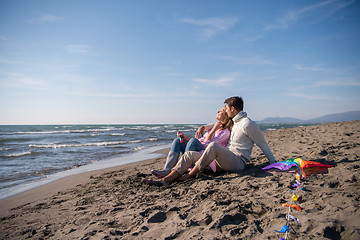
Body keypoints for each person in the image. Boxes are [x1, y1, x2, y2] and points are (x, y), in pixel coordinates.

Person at [142, 96, 276, 187]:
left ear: (233, 109)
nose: (226, 111)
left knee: (213, 146)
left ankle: (189, 175)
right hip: (224, 159)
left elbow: (262, 144)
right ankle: (166, 179)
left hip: (238, 162)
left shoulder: (248, 124)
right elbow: (215, 124)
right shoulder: (234, 122)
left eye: (227, 109)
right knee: (189, 155)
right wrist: (203, 127)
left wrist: (275, 165)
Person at [151, 108, 233, 178]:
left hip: (206, 161)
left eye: (221, 111)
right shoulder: (213, 127)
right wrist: (185, 138)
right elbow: (199, 142)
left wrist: (213, 130)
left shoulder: (225, 133)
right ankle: (167, 170)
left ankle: (181, 169)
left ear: (226, 116)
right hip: (196, 154)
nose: (218, 112)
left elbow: (209, 146)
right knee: (177, 140)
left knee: (193, 140)